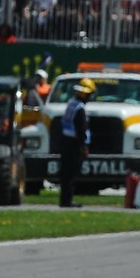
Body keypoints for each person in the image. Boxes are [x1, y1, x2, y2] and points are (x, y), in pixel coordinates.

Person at [57, 77, 95, 208]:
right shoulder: (80, 108)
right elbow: (81, 129)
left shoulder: (71, 103)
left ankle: (64, 200)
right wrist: (83, 146)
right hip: (74, 144)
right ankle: (67, 201)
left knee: (65, 173)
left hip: (65, 141)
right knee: (71, 174)